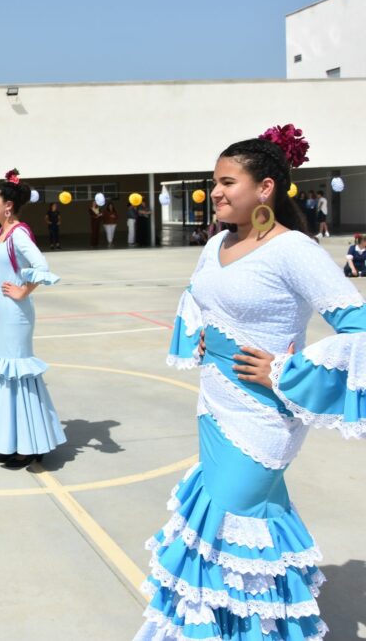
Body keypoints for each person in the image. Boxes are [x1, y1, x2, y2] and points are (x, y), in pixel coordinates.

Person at [136, 127, 366, 640]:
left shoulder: (294, 250)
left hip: (265, 414)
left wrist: (288, 371)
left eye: (226, 182)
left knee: (234, 520)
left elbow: (359, 326)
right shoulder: (218, 241)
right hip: (214, 403)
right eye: (213, 182)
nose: (215, 192)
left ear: (265, 188)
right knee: (228, 521)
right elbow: (200, 294)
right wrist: (200, 335)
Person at [0, 172, 64, 467]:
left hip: (17, 316)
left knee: (18, 375)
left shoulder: (19, 234)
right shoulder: (3, 233)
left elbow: (42, 265)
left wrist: (24, 290)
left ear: (8, 206)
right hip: (3, 315)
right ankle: (10, 442)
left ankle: (28, 446)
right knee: (5, 376)